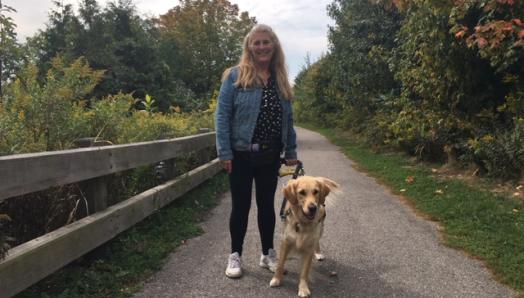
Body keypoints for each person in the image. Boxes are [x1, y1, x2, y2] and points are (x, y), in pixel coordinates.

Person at [215, 24, 298, 278]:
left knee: (266, 206)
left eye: (266, 42)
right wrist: (225, 152)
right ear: (249, 47)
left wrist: (291, 149)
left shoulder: (280, 79)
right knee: (240, 206)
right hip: (240, 154)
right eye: (257, 43)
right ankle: (235, 255)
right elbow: (222, 116)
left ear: (274, 46)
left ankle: (267, 253)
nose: (262, 47)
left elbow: (289, 120)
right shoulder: (235, 76)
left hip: (270, 155)